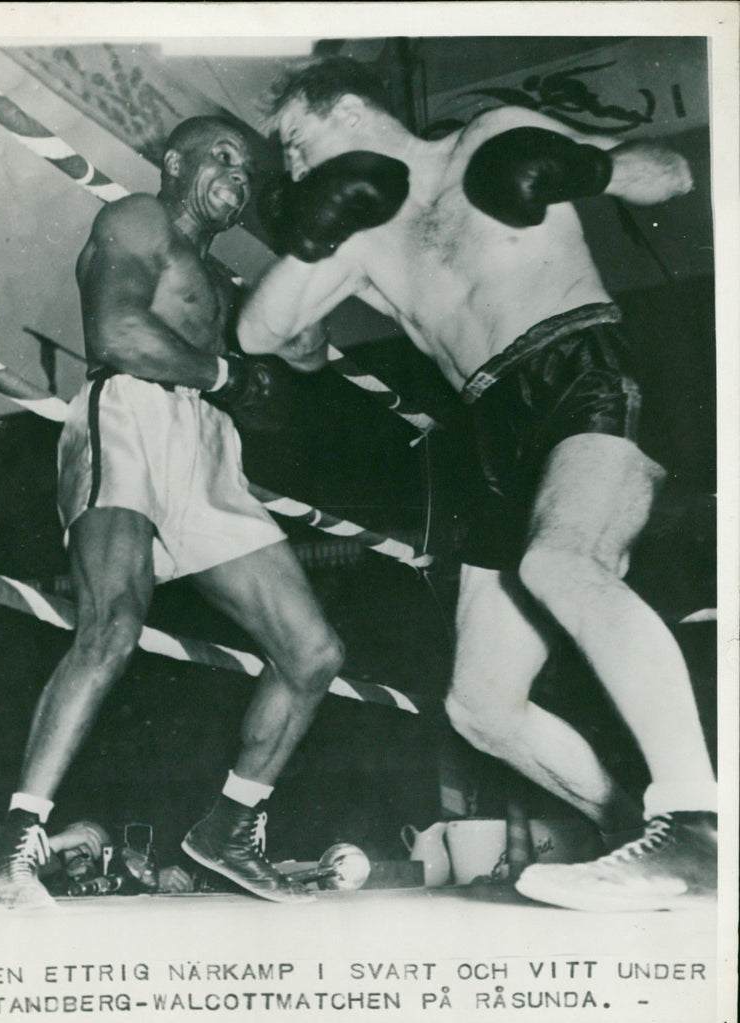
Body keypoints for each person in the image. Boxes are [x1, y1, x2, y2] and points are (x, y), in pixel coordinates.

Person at [235, 58, 717, 912]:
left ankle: (697, 822)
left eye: (297, 146)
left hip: (579, 370)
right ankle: (632, 832)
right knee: (481, 706)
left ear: (348, 108)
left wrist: (592, 169)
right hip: (486, 427)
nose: (295, 172)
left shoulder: (490, 138)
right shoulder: (356, 229)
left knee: (563, 565)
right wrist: (312, 234)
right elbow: (260, 327)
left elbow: (670, 173)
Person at [0, 116, 344, 908]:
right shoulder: (138, 220)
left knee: (312, 652)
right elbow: (116, 333)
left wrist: (306, 255)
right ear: (174, 162)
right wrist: (227, 375)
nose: (238, 178)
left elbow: (307, 350)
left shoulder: (223, 281)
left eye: (249, 174)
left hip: (208, 443)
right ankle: (13, 843)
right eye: (224, 158)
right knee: (113, 620)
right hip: (133, 415)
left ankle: (227, 827)